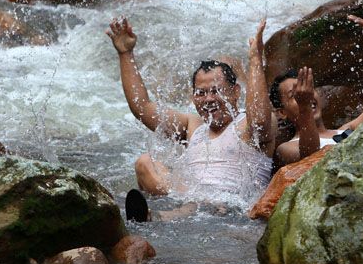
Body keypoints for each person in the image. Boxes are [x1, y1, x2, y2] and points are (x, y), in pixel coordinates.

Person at [106, 17, 275, 219]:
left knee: (207, 206)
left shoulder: (248, 124)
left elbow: (260, 121)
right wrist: (126, 53)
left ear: (236, 92)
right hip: (191, 201)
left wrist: (255, 60)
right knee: (144, 163)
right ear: (192, 96)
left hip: (233, 208)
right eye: (201, 93)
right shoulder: (193, 125)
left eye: (217, 91)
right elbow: (142, 108)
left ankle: (155, 217)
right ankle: (155, 215)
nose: (209, 99)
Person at [269, 14, 363, 167]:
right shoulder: (285, 149)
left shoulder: (346, 131)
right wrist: (304, 106)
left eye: (309, 90)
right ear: (282, 112)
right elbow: (311, 156)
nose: (307, 96)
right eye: (296, 95)